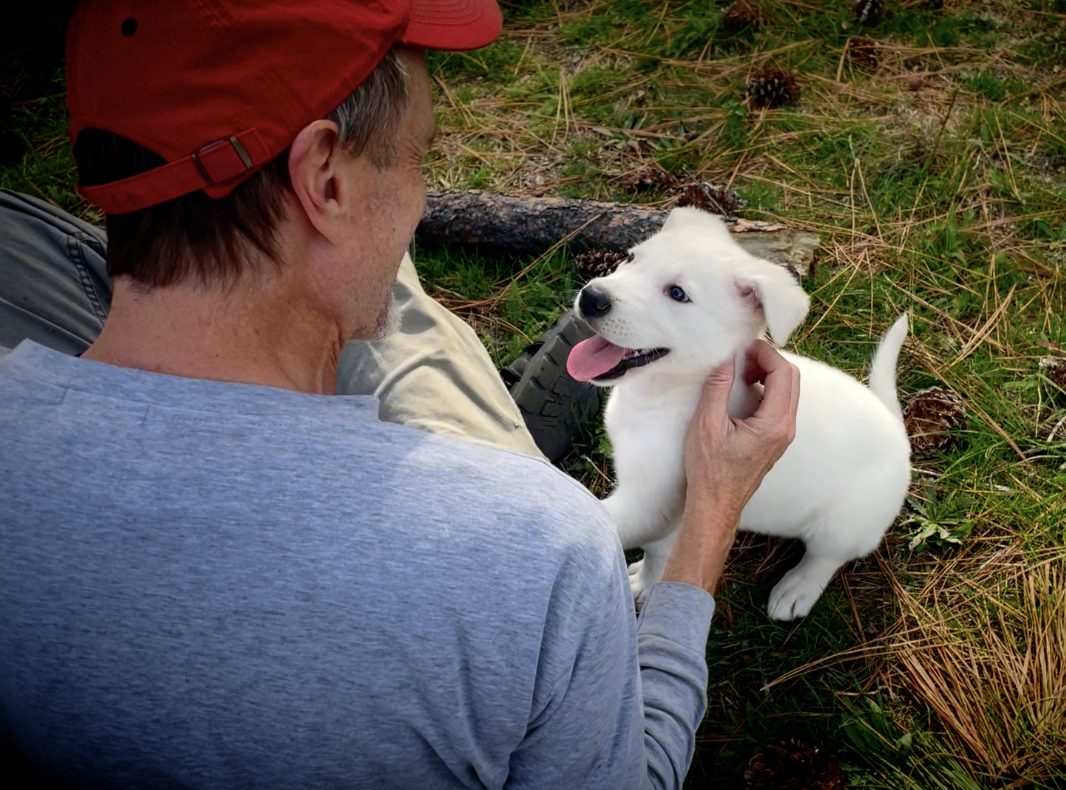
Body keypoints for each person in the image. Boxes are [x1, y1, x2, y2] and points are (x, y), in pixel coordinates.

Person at [0, 1, 799, 788]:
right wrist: (710, 517)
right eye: (417, 158)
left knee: (385, 301)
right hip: (486, 521)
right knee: (405, 326)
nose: (419, 199)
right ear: (326, 180)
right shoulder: (537, 549)